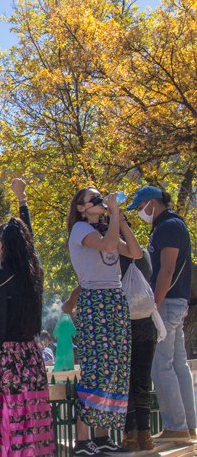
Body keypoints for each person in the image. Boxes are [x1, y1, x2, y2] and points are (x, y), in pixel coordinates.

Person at [66, 187, 142, 455]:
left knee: (116, 369)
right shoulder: (80, 230)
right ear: (80, 208)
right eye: (94, 199)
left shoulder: (103, 230)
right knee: (97, 367)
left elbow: (135, 253)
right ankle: (83, 440)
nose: (100, 202)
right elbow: (110, 246)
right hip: (95, 301)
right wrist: (113, 218)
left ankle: (102, 437)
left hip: (114, 300)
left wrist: (119, 220)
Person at [0, 217, 55, 457]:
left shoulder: (1, 278)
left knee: (11, 428)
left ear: (5, 246)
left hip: (9, 363)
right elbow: (31, 249)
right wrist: (22, 202)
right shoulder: (35, 276)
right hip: (32, 359)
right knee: (33, 425)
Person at [129, 185, 195, 442]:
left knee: (161, 366)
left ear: (152, 203)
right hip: (177, 302)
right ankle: (188, 425)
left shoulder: (167, 227)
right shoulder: (174, 225)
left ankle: (176, 426)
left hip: (166, 303)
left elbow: (166, 271)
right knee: (179, 365)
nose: (141, 214)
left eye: (141, 208)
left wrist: (152, 307)